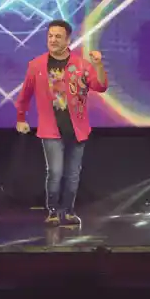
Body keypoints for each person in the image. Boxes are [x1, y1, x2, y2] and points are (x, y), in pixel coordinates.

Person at [14, 19, 108, 227]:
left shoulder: (81, 65)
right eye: (50, 36)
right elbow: (24, 96)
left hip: (77, 129)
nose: (53, 40)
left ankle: (69, 211)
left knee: (73, 175)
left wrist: (99, 65)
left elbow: (100, 86)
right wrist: (21, 118)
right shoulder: (36, 65)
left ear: (68, 40)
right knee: (55, 173)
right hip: (50, 129)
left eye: (58, 36)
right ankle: (53, 211)